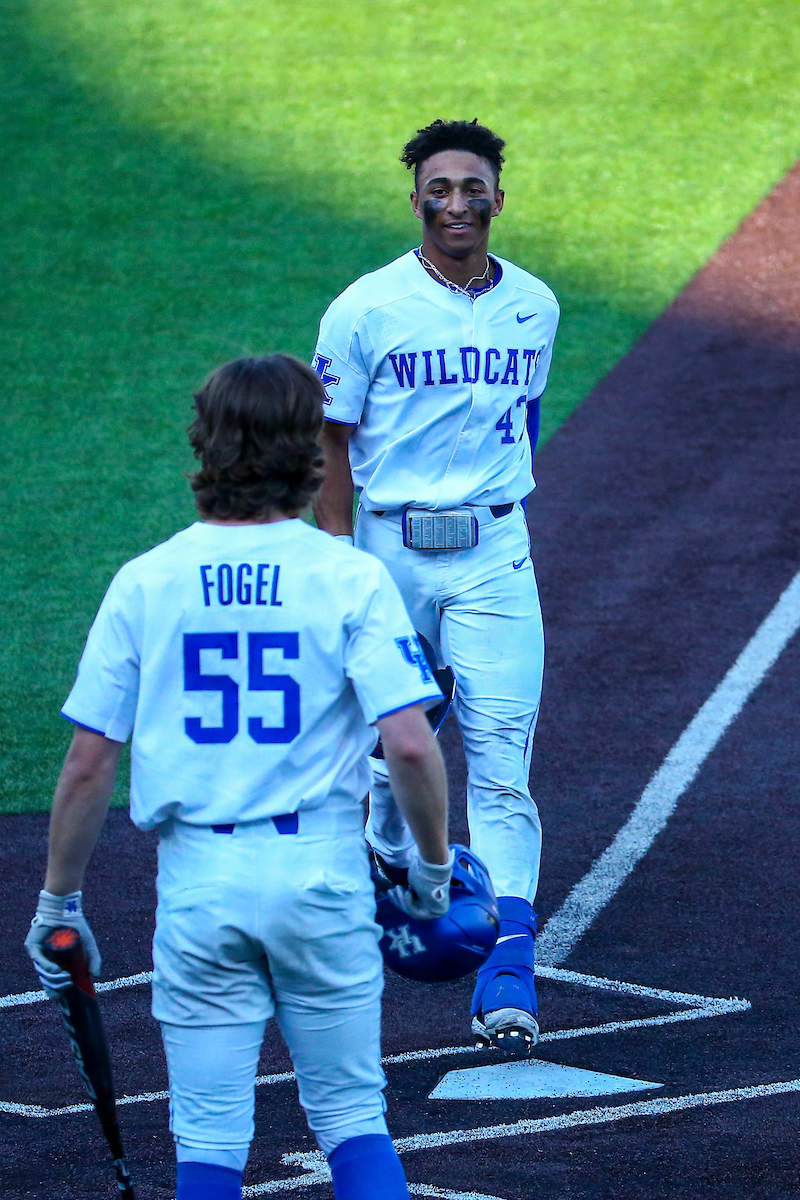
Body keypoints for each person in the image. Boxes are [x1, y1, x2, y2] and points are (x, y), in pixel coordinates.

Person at [24, 355, 453, 1200]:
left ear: (206, 447)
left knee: (211, 1141)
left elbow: (87, 767)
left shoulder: (146, 580)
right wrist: (431, 873)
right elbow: (408, 743)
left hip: (201, 884)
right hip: (323, 875)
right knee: (352, 1122)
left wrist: (58, 906)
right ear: (311, 455)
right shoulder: (349, 575)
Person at [311, 118, 560, 1055]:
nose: (457, 201)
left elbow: (520, 425)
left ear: (500, 194)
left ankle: (507, 974)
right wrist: (339, 560)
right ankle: (389, 871)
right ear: (414, 197)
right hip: (388, 553)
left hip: (496, 555)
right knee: (387, 741)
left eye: (473, 185)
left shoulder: (535, 305)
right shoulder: (366, 308)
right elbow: (334, 439)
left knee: (501, 760)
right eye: (439, 187)